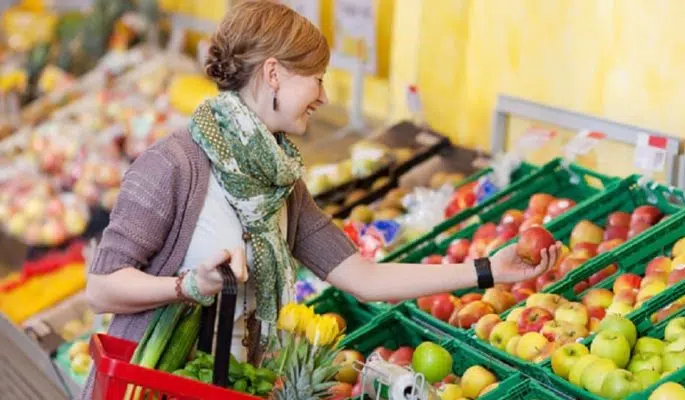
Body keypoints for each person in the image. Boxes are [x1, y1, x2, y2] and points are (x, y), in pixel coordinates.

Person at [81, 1, 560, 397]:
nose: (324, 96)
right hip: (152, 388)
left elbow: (364, 277)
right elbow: (102, 287)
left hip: (239, 386)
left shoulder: (281, 184)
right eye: (317, 78)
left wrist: (485, 271)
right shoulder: (173, 166)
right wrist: (187, 285)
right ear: (274, 73)